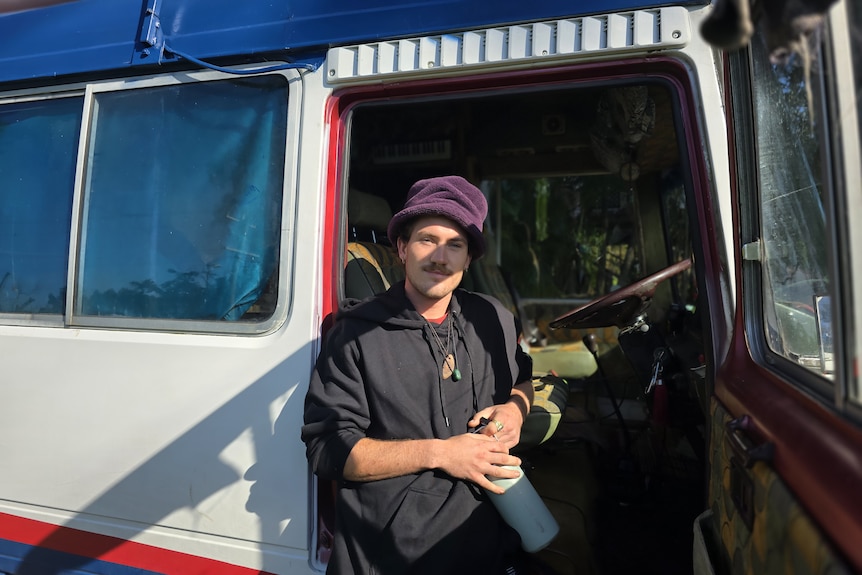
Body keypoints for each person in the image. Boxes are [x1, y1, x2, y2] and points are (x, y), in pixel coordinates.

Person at [302, 175, 535, 574]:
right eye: (427, 239)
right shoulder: (356, 334)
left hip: (489, 538)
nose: (440, 257)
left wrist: (515, 409)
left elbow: (523, 379)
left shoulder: (491, 318)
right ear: (402, 248)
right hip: (397, 553)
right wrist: (442, 453)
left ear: (469, 259)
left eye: (455, 245)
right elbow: (328, 451)